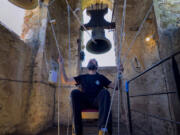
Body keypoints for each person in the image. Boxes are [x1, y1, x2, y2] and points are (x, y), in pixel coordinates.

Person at [58, 57, 123, 135]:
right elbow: (66, 80)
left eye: (93, 61)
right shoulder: (82, 77)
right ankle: (77, 131)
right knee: (74, 93)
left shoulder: (101, 77)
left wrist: (119, 73)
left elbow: (116, 86)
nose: (91, 61)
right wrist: (61, 64)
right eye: (90, 61)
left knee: (105, 92)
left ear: (97, 66)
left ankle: (103, 128)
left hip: (97, 103)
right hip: (84, 102)